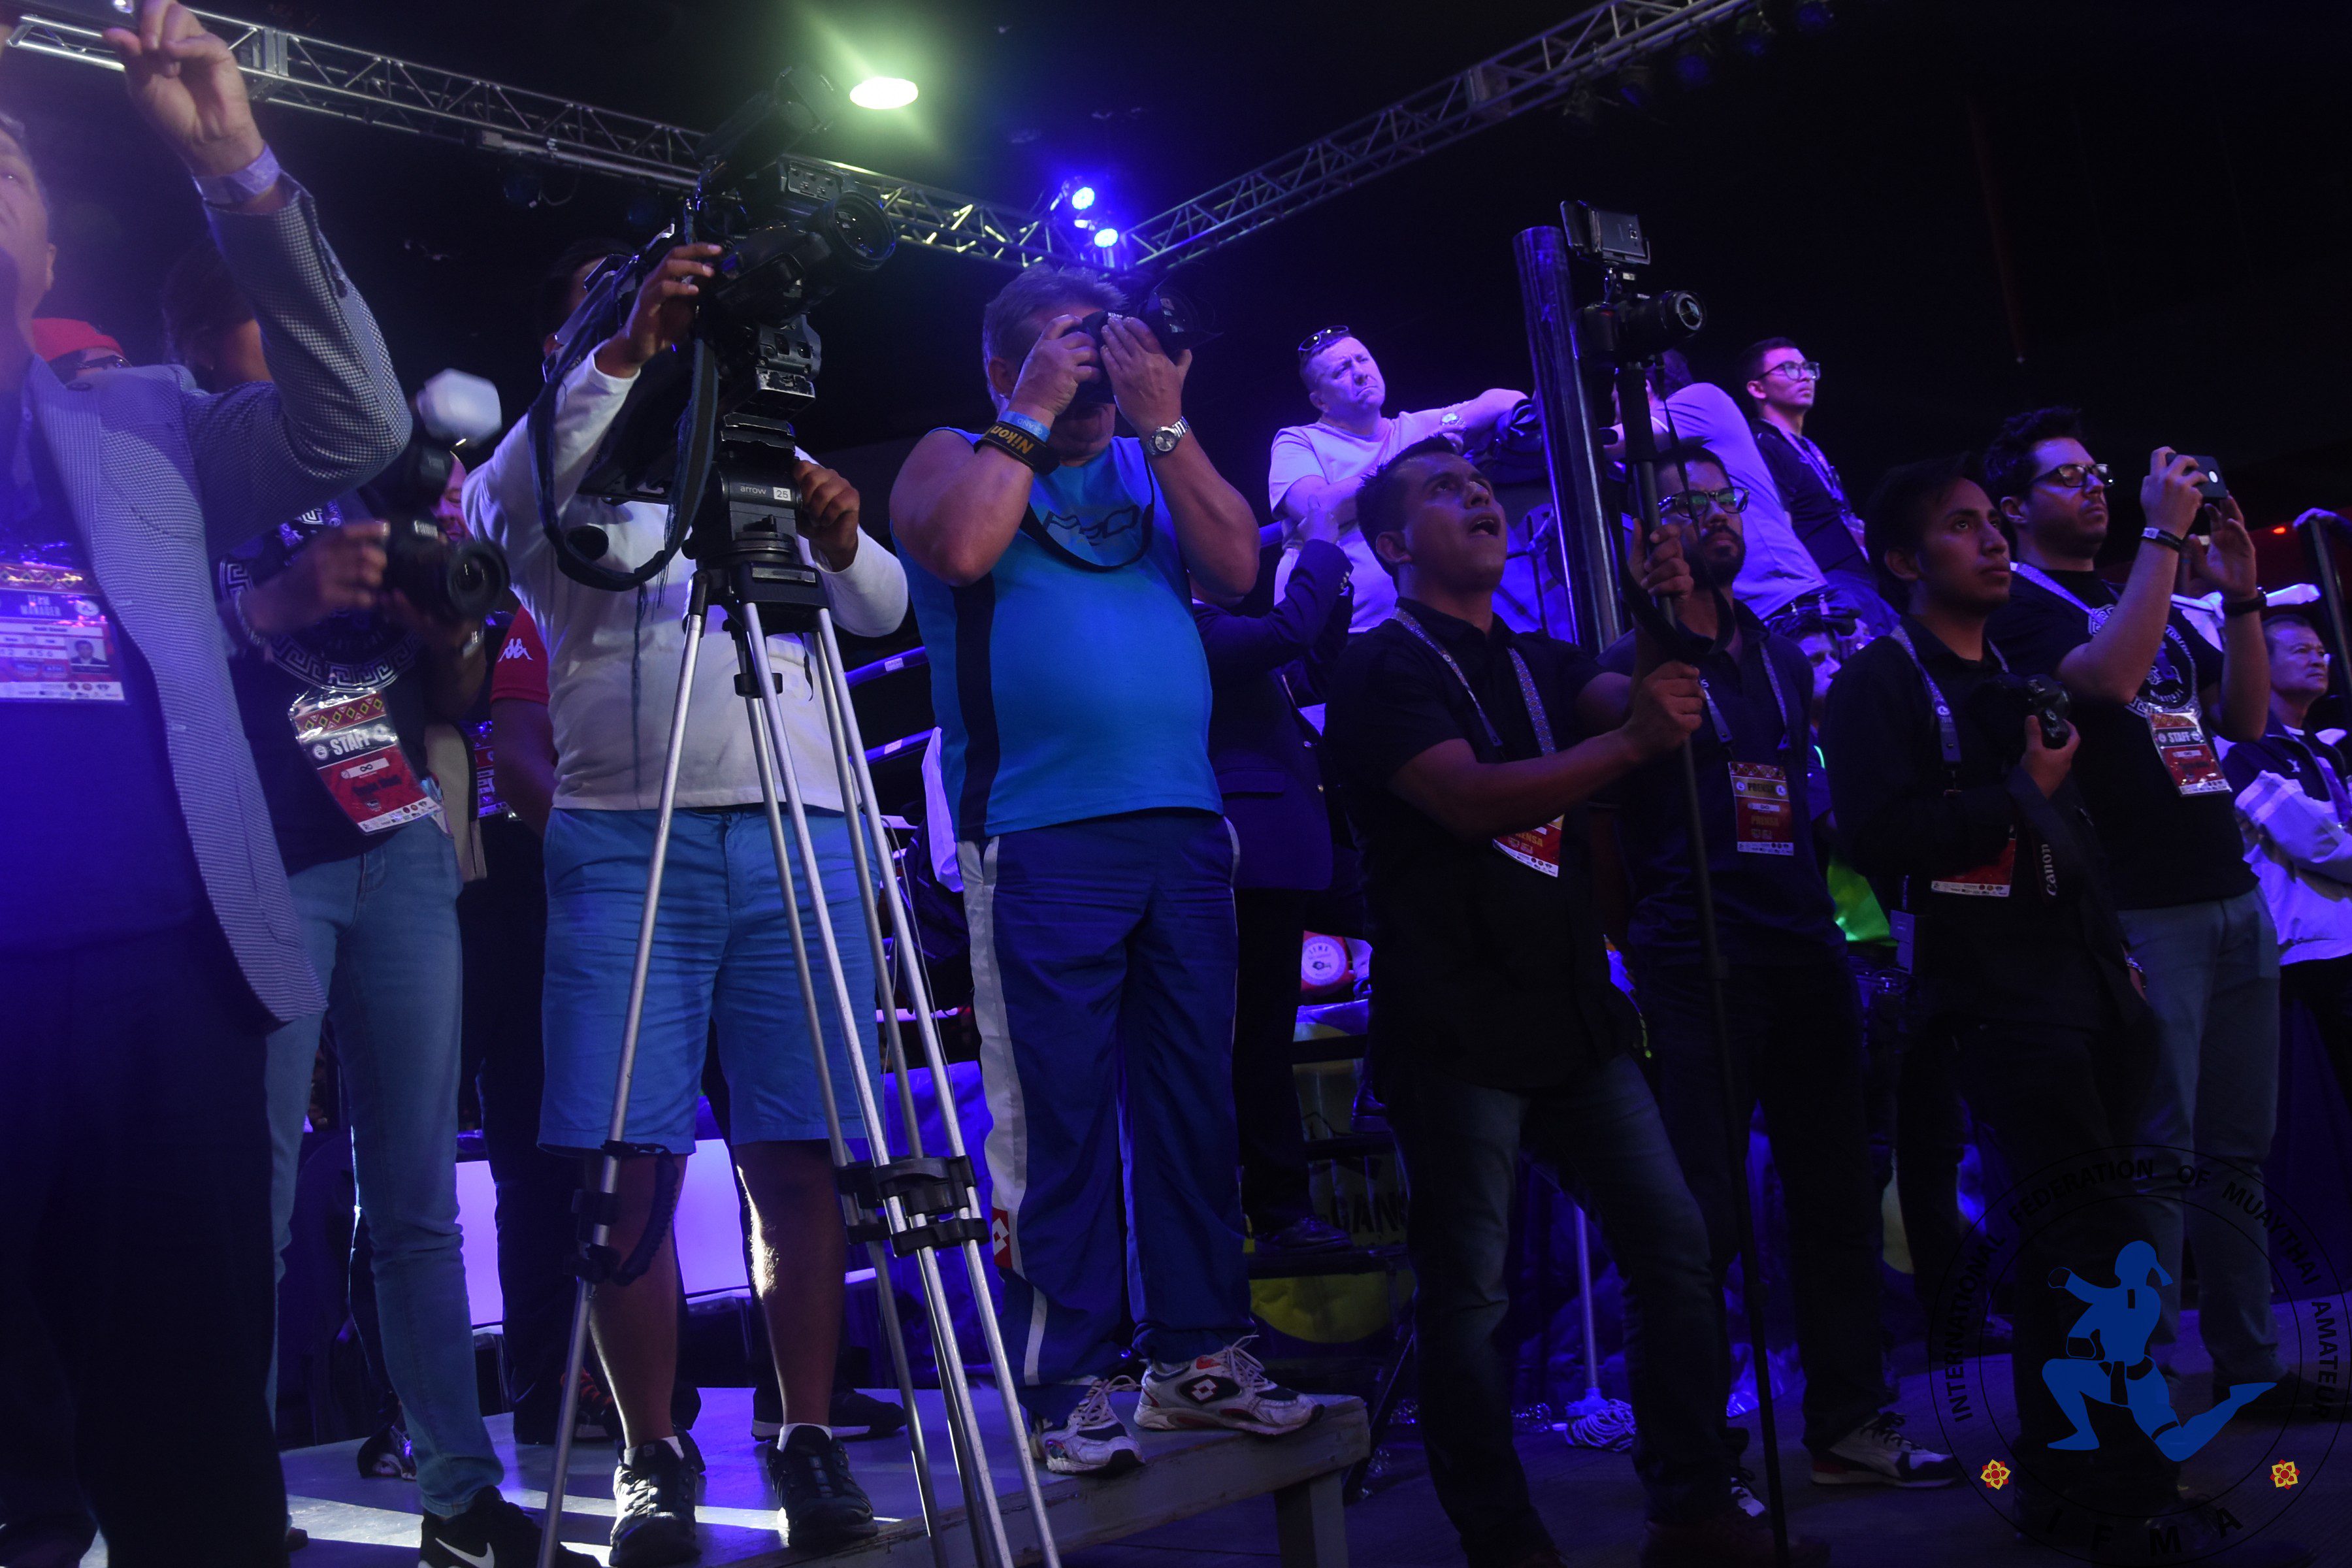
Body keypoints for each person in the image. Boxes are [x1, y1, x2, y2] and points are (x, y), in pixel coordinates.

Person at [0, 6, 409, 1563]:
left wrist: (236, 168)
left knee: (195, 1459)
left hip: (170, 990)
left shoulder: (146, 418)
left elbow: (357, 418)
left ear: (50, 254)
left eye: (10, 163)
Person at [465, 238, 906, 1563]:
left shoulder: (752, 446)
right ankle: (652, 1454)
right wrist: (625, 351)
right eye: (615, 297)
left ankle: (808, 1437)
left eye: (666, 297)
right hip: (620, 837)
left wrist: (843, 537)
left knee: (801, 1152)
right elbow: (504, 515)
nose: (662, 306)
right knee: (626, 1165)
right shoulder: (543, 458)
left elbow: (880, 609)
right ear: (566, 345)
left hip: (800, 821)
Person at [1324, 436, 1829, 1568]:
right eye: (1443, 490)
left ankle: (1692, 1511)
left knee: (1676, 1244)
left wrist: (1662, 610)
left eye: (1478, 482)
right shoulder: (1380, 665)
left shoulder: (1539, 657)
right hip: (1456, 1022)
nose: (1477, 495)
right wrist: (1634, 739)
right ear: (1395, 544)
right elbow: (1467, 801)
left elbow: (1633, 704)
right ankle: (1506, 1543)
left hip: (1570, 1013)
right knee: (1471, 1299)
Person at [1826, 455, 2310, 1565]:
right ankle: (2128, 1496)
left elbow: (2073, 837)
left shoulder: (2006, 670)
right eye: (1961, 526)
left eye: (1989, 523)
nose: (1991, 540)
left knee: (2072, 1248)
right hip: (1993, 996)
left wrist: (2113, 959)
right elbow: (1883, 840)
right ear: (1903, 561)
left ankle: (2068, 1489)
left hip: (2083, 981)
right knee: (2099, 1247)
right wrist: (2017, 797)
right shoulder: (1879, 683)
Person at [890, 263, 1316, 1475]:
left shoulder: (1146, 458)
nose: (1095, 371)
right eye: (1067, 349)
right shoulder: (951, 454)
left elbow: (1236, 568)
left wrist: (1164, 416)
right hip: (1039, 830)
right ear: (1002, 364)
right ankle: (1064, 1381)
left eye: (1104, 347)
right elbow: (961, 547)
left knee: (1195, 1105)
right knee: (1057, 1118)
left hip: (1181, 821)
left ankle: (1197, 1358)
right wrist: (1030, 407)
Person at [163, 237, 552, 1559]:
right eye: (276, 324)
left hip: (399, 840)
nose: (310, 352)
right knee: (254, 1201)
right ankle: (227, 1497)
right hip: (255, 856)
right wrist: (271, 603)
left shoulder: (377, 471)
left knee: (420, 1199)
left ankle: (460, 1493)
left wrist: (453, 632)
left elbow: (453, 697)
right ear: (211, 338)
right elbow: (147, 652)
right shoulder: (182, 463)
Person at [1593, 447, 1957, 1497]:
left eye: (1725, 496)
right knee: (1697, 1220)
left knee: (1837, 1200)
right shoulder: (1624, 667)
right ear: (1645, 536)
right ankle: (1693, 1461)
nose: (1714, 513)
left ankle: (1849, 1424)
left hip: (1804, 949)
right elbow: (1608, 831)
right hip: (1696, 958)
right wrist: (1639, 948)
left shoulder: (1783, 657)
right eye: (1684, 503)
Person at [1982, 408, 2300, 1413]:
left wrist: (2241, 596)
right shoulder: (2018, 611)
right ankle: (2142, 1383)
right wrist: (2165, 534)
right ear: (2014, 508)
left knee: (2238, 1146)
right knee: (2158, 1151)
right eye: (2066, 477)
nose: (2093, 487)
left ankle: (2251, 1365)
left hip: (2230, 891)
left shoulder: (2130, 592)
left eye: (2097, 473)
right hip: (2142, 904)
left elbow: (2240, 719)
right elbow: (2112, 682)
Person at [1195, 502, 1356, 1256]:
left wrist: (1335, 588)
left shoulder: (1223, 633)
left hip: (1290, 849)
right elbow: (1286, 634)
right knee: (1256, 1037)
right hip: (1251, 856)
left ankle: (1281, 1198)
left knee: (1414, 926)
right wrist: (1322, 546)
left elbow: (1307, 669)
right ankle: (1278, 1207)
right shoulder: (1189, 626)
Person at [1267, 325, 1522, 631]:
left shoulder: (1413, 427)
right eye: (1341, 371)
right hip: (1337, 633)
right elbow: (1317, 508)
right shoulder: (1299, 440)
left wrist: (1456, 423)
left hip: (1426, 627)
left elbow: (1507, 399)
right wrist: (1419, 456)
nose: (1360, 373)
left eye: (1363, 359)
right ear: (1321, 402)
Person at [2224, 608, 2352, 1106]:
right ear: (2260, 661)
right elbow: (2316, 844)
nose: (2318, 659)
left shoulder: (2326, 750)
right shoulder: (2243, 746)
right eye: (2301, 651)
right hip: (2311, 948)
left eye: (2321, 651)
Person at [1739, 339, 1872, 594]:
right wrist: (1820, 594)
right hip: (1832, 585)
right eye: (1789, 369)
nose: (1804, 377)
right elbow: (1779, 531)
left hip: (1858, 577)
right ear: (1757, 388)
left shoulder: (1809, 448)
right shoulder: (1763, 446)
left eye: (1807, 368)